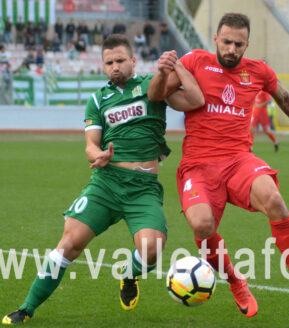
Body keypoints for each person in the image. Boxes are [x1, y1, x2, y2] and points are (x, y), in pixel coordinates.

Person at [2, 33, 204, 325]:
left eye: (120, 60)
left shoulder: (152, 86)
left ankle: (129, 274)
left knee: (151, 250)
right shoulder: (97, 100)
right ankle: (26, 309)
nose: (115, 66)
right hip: (106, 183)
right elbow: (90, 145)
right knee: (69, 243)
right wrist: (97, 155)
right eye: (109, 62)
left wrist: (173, 66)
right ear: (103, 65)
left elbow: (196, 99)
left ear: (133, 61)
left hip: (143, 189)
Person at [148, 13, 289, 318]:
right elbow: (157, 94)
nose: (232, 49)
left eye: (238, 44)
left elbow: (286, 100)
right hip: (197, 165)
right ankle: (236, 282)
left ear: (247, 44)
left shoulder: (259, 71)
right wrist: (165, 69)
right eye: (226, 42)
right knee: (201, 225)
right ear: (216, 40)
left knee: (275, 200)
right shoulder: (195, 61)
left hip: (239, 160)